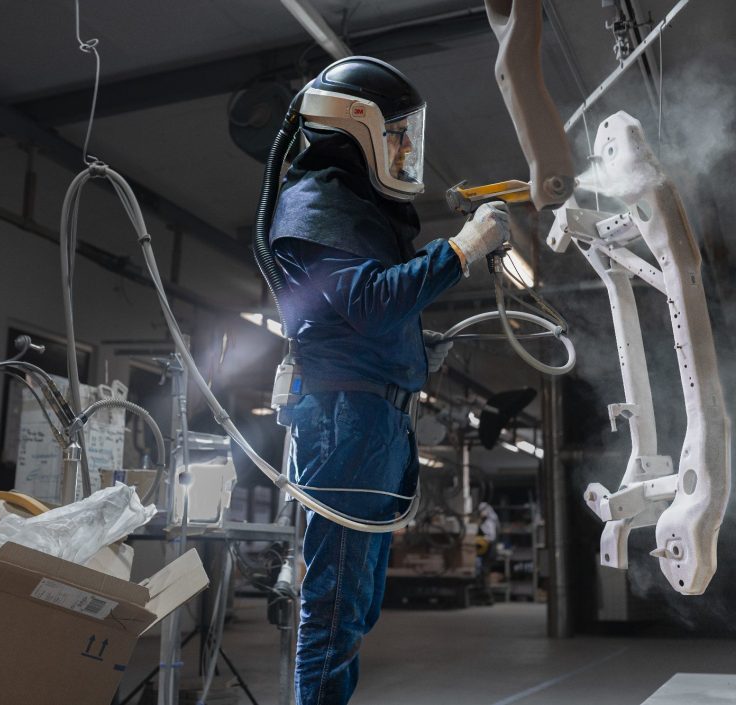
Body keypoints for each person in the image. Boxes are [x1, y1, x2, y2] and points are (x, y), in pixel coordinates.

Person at [268, 56, 510, 705]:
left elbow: (357, 315)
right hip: (344, 422)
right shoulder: (315, 201)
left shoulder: (351, 209)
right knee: (336, 600)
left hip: (368, 420)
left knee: (356, 603)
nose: (404, 148)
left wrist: (414, 349)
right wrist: (462, 248)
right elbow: (371, 301)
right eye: (396, 133)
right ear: (354, 126)